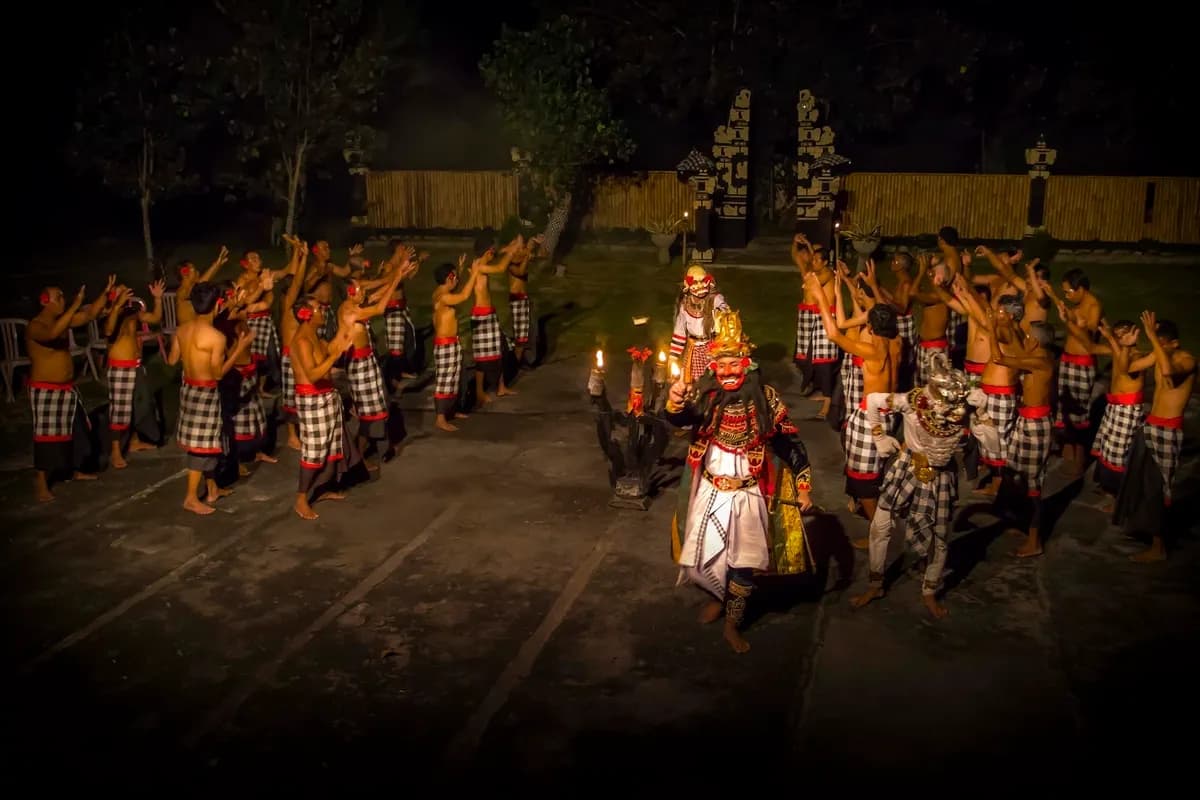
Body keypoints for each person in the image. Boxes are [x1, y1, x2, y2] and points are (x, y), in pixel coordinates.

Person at [665, 308, 815, 653]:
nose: (729, 371)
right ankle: (718, 594)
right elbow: (682, 420)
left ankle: (733, 623)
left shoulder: (768, 399)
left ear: (747, 364)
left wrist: (804, 486)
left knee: (743, 563)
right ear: (713, 366)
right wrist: (674, 403)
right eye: (723, 364)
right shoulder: (706, 396)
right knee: (701, 557)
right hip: (710, 491)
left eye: (736, 363)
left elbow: (790, 442)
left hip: (749, 494)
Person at [850, 352, 992, 619]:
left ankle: (929, 591)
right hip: (907, 466)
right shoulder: (912, 401)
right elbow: (871, 401)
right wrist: (879, 436)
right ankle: (875, 584)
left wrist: (983, 413)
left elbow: (995, 448)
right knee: (881, 524)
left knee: (939, 537)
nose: (949, 412)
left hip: (940, 476)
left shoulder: (966, 409)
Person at [806, 268, 899, 544]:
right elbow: (877, 310)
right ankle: (877, 523)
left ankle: (879, 533)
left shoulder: (873, 351)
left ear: (870, 327)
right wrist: (854, 284)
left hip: (871, 418)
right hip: (888, 413)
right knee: (872, 475)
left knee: (862, 480)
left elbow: (834, 334)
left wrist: (819, 295)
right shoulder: (897, 342)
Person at [1114, 314, 1195, 562]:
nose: (1154, 347)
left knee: (1158, 487)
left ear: (1172, 343)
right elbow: (1127, 368)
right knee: (1140, 480)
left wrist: (1152, 340)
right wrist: (1127, 346)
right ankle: (1145, 530)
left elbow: (1170, 376)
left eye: (1158, 341)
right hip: (1151, 425)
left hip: (1168, 431)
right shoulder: (1160, 355)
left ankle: (1159, 547)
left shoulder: (1186, 359)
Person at [167, 282, 253, 515]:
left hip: (188, 389)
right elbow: (217, 373)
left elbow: (172, 360)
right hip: (205, 391)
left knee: (206, 442)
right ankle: (191, 497)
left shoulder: (182, 330)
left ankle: (212, 488)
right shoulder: (216, 337)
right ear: (217, 305)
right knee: (202, 446)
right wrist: (239, 348)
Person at [26, 277, 114, 501]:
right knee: (47, 438)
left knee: (77, 431)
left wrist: (105, 292)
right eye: (59, 297)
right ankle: (41, 482)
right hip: (46, 390)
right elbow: (52, 334)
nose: (63, 300)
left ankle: (75, 469)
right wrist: (75, 304)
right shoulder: (36, 326)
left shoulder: (62, 321)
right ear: (45, 301)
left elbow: (90, 315)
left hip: (67, 389)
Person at [988, 320, 1057, 558]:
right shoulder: (1036, 357)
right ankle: (1023, 524)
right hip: (1026, 421)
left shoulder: (1039, 362)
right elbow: (1018, 353)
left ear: (1035, 341)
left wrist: (990, 324)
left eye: (1028, 336)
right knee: (1015, 473)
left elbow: (999, 357)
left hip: (1035, 426)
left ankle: (1035, 540)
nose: (1025, 339)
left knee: (1032, 485)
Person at [289, 296, 357, 520]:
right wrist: (335, 356)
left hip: (326, 397)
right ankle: (301, 498)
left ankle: (322, 488)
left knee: (330, 447)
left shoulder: (314, 335)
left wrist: (346, 329)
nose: (323, 311)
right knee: (315, 451)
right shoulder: (302, 341)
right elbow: (313, 374)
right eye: (319, 309)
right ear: (306, 315)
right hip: (313, 401)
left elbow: (332, 348)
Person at [338, 263, 409, 469]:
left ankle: (380, 448)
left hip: (368, 364)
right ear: (350, 293)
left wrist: (397, 274)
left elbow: (377, 297)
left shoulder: (355, 305)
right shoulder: (349, 311)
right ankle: (359, 456)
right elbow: (379, 308)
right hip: (360, 368)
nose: (364, 291)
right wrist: (395, 280)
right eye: (359, 289)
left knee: (378, 408)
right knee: (370, 414)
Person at [1088, 320, 1154, 508]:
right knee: (1107, 448)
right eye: (1116, 335)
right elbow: (1090, 347)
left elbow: (1126, 367)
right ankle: (1109, 489)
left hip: (1127, 410)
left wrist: (1117, 342)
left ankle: (1120, 499)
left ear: (1133, 335)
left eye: (1121, 335)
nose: (1117, 339)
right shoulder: (1120, 350)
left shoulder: (1136, 356)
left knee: (1119, 454)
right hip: (1114, 406)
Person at [104, 281, 166, 468]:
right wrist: (116, 305)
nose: (127, 293)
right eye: (121, 291)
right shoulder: (110, 314)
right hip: (120, 367)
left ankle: (134, 440)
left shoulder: (133, 313)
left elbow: (155, 318)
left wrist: (157, 299)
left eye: (126, 290)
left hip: (136, 365)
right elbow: (108, 331)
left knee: (140, 405)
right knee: (120, 411)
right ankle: (115, 452)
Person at [1048, 268, 1103, 474]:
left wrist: (1071, 323)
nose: (1067, 296)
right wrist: (1053, 295)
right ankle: (1067, 451)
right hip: (1067, 360)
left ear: (1080, 288)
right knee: (1065, 408)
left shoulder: (1094, 306)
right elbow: (1067, 314)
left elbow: (1086, 336)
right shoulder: (1078, 304)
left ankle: (1079, 460)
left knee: (1079, 413)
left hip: (1082, 363)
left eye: (1069, 291)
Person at [469, 236, 523, 406]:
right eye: (492, 251)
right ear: (487, 252)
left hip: (489, 314)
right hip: (481, 316)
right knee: (482, 358)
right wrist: (512, 252)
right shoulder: (479, 266)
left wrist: (506, 249)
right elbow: (500, 268)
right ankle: (479, 392)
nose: (494, 253)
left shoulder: (481, 261)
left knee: (499, 350)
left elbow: (496, 256)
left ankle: (501, 387)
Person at [791, 233, 840, 418]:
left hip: (823, 318)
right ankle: (820, 390)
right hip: (809, 318)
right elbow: (797, 257)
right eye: (813, 259)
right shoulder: (813, 273)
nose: (813, 261)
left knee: (824, 362)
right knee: (805, 358)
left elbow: (813, 282)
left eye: (817, 260)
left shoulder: (827, 273)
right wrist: (796, 244)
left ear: (825, 262)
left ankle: (828, 402)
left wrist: (811, 248)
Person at [431, 256, 481, 432]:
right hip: (446, 345)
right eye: (454, 277)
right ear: (448, 278)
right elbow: (465, 295)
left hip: (450, 344)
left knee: (454, 380)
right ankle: (440, 418)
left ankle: (451, 411)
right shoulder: (443, 297)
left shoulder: (441, 291)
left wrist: (459, 269)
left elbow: (456, 290)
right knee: (444, 381)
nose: (457, 280)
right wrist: (474, 273)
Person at [668, 264, 730, 384]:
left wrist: (720, 315)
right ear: (688, 284)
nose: (700, 286)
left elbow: (726, 313)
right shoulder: (684, 304)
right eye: (695, 282)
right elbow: (679, 331)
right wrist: (673, 356)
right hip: (693, 349)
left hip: (711, 347)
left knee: (713, 379)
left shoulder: (715, 299)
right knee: (691, 381)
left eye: (703, 281)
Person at [277, 241, 311, 450]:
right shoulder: (288, 304)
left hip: (298, 354)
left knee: (302, 392)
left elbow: (300, 283)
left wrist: (298, 254)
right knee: (291, 396)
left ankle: (302, 430)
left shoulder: (296, 304)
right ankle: (291, 435)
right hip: (290, 357)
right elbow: (298, 282)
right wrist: (305, 256)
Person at [508, 234, 542, 366]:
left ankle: (523, 359)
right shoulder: (510, 261)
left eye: (522, 245)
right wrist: (528, 252)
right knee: (520, 336)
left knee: (528, 331)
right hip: (517, 300)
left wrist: (537, 245)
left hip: (524, 299)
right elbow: (521, 272)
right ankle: (515, 365)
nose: (521, 248)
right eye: (519, 245)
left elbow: (542, 255)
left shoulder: (522, 256)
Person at [175, 248, 229, 326]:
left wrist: (218, 264)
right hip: (188, 335)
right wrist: (216, 264)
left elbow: (204, 281)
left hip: (194, 330)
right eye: (194, 269)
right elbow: (201, 283)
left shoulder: (191, 288)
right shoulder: (182, 291)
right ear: (184, 272)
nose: (198, 272)